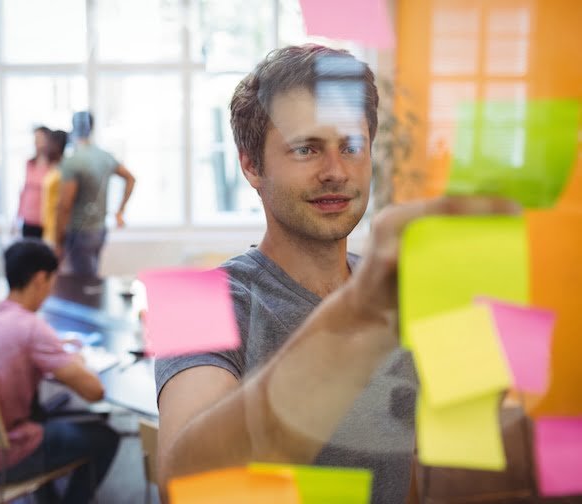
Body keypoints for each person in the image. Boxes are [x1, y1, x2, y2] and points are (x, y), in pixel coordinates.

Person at [154, 44, 520, 503]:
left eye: (351, 146)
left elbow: (416, 462)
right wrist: (362, 314)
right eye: (306, 148)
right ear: (251, 164)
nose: (335, 171)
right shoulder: (193, 302)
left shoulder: (397, 290)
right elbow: (187, 488)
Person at [0, 239, 119, 504]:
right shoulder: (32, 328)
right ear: (40, 278)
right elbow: (95, 391)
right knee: (105, 437)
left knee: (38, 414)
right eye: (52, 280)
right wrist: (76, 359)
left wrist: (54, 347)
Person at [55, 111, 136, 278]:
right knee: (90, 279)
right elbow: (130, 178)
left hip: (79, 232)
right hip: (99, 231)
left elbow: (65, 205)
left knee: (81, 285)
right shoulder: (104, 156)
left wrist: (58, 240)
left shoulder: (73, 161)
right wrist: (120, 211)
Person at [17, 125, 53, 239]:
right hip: (28, 220)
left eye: (40, 138)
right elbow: (24, 190)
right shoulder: (29, 163)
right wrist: (17, 216)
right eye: (35, 138)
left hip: (45, 221)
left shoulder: (54, 166)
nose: (37, 142)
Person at [42, 129, 69, 246]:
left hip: (57, 231)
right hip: (48, 228)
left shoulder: (64, 170)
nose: (45, 146)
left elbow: (63, 205)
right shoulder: (54, 168)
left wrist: (59, 238)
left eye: (48, 142)